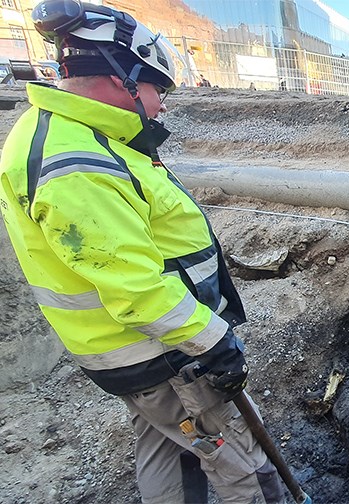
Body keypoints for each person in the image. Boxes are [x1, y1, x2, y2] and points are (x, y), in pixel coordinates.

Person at [0, 1, 288, 502]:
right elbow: (136, 287)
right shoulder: (77, 165)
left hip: (136, 352)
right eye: (157, 88)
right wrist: (212, 341)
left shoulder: (71, 133)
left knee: (170, 446)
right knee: (240, 460)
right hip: (167, 352)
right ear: (119, 80)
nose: (161, 105)